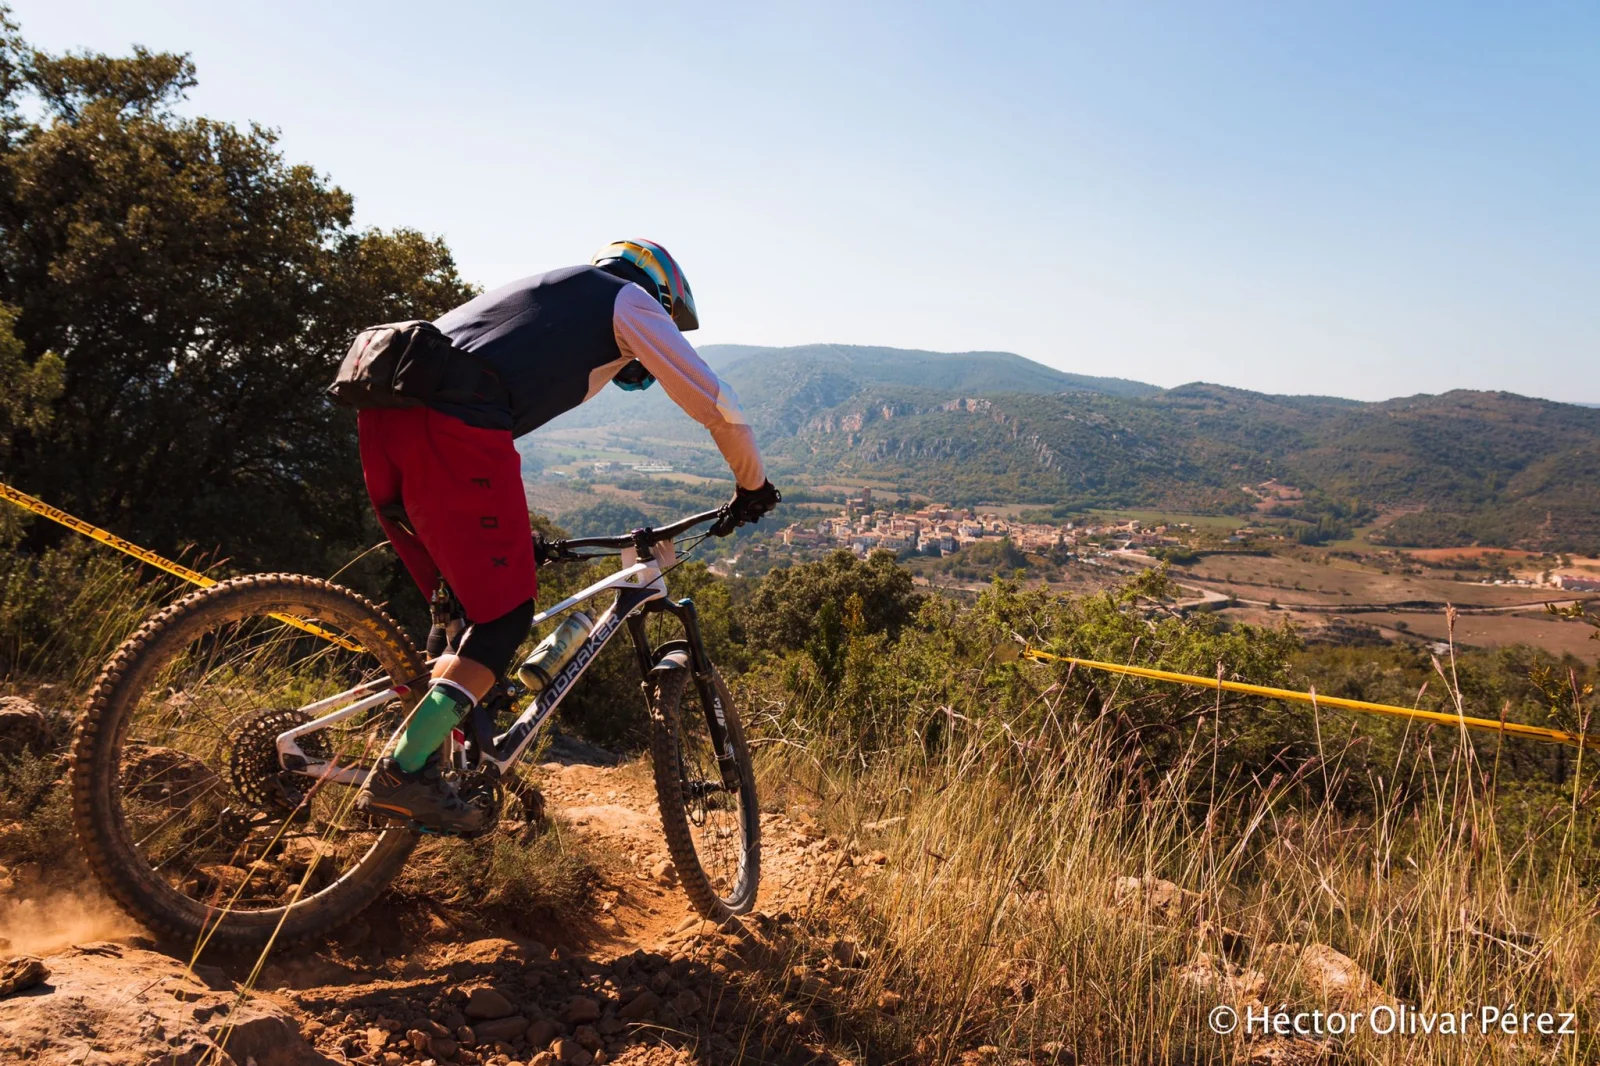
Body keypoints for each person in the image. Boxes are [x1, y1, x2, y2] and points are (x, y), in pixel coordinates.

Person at [355, 239, 779, 831]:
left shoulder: (545, 294)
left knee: (460, 614)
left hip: (382, 421)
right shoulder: (626, 298)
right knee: (505, 620)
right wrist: (752, 484)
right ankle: (403, 773)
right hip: (450, 429)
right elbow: (716, 402)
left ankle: (437, 764)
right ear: (661, 292)